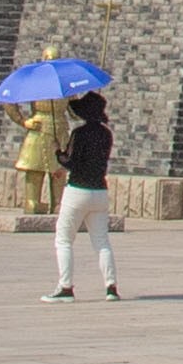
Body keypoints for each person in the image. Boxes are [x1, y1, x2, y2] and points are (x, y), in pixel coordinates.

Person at [50, 90, 118, 298]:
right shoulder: (106, 134)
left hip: (78, 191)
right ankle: (111, 287)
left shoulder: (79, 134)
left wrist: (58, 152)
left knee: (64, 240)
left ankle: (66, 287)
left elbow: (71, 162)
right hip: (100, 191)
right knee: (101, 241)